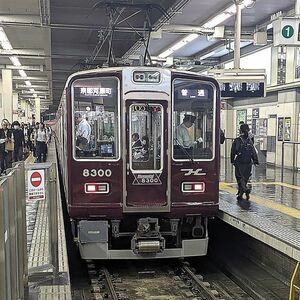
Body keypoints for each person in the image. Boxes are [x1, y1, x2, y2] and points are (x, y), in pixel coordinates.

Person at [231, 124, 259, 201]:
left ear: (240, 130)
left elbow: (233, 151)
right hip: (248, 162)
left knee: (240, 178)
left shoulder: (237, 140)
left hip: (240, 162)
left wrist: (232, 160)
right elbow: (253, 151)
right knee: (245, 178)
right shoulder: (249, 140)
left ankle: (245, 190)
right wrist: (256, 161)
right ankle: (241, 193)